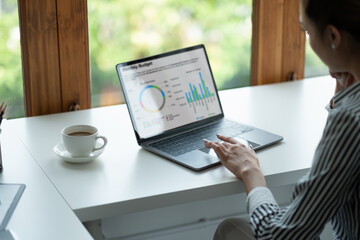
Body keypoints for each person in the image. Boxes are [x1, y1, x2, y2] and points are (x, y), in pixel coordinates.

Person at [204, 0, 360, 239]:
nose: (307, 39)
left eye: (306, 31)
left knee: (230, 231)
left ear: (332, 36)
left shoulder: (350, 119)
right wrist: (343, 89)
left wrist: (250, 171)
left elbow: (279, 235)